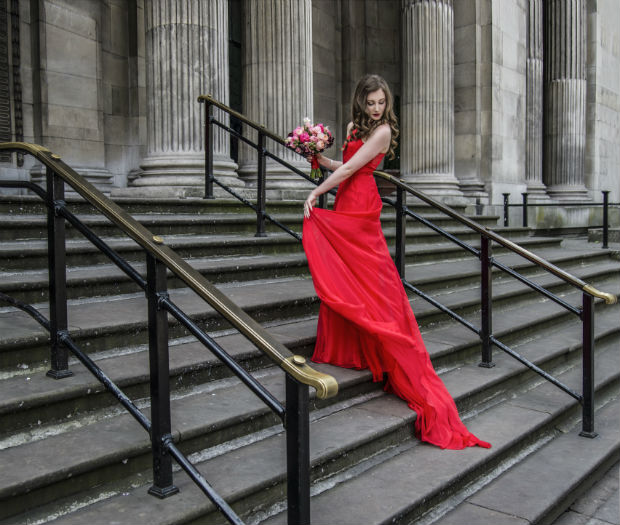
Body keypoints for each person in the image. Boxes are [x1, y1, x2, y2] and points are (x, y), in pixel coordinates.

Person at [302, 74, 491, 450]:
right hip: (347, 200)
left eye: (381, 102)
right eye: (370, 102)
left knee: (372, 280)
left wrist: (315, 190)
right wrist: (316, 156)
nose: (376, 108)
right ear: (361, 101)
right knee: (349, 276)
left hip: (360, 205)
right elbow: (344, 163)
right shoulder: (359, 126)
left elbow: (351, 170)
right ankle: (348, 349)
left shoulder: (384, 131)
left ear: (387, 104)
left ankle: (391, 346)